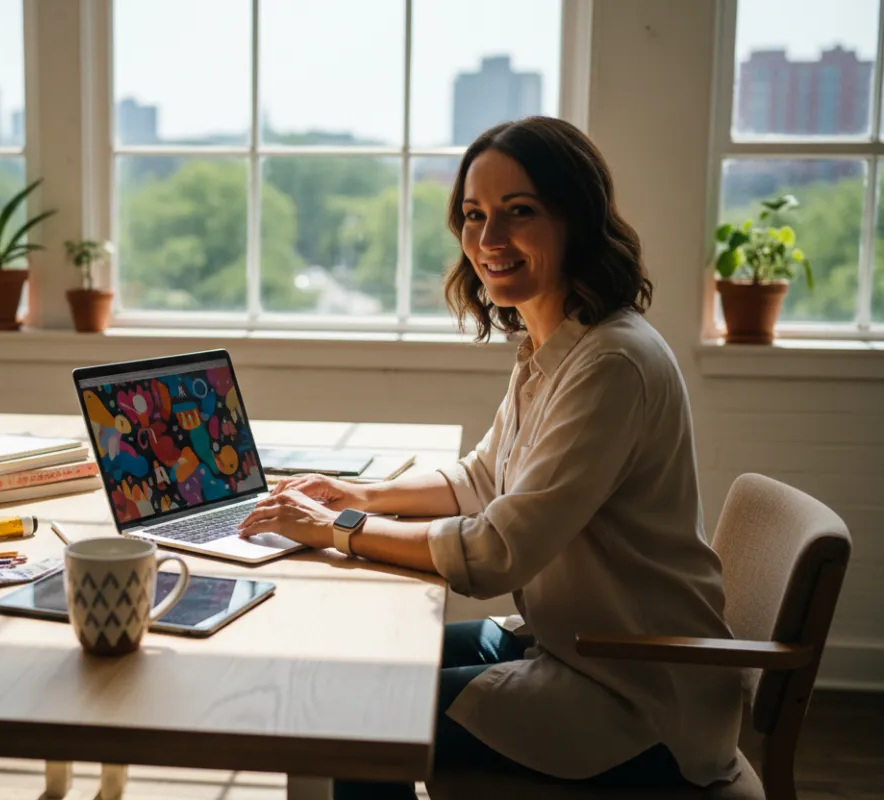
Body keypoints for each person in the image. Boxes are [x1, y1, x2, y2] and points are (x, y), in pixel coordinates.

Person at [236, 116, 744, 798]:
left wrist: (338, 530)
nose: (488, 239)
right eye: (475, 215)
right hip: (575, 646)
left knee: (357, 710)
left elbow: (497, 552)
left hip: (638, 692)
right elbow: (480, 478)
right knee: (359, 662)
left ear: (577, 220)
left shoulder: (611, 364)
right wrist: (357, 495)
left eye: (519, 211)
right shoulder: (554, 345)